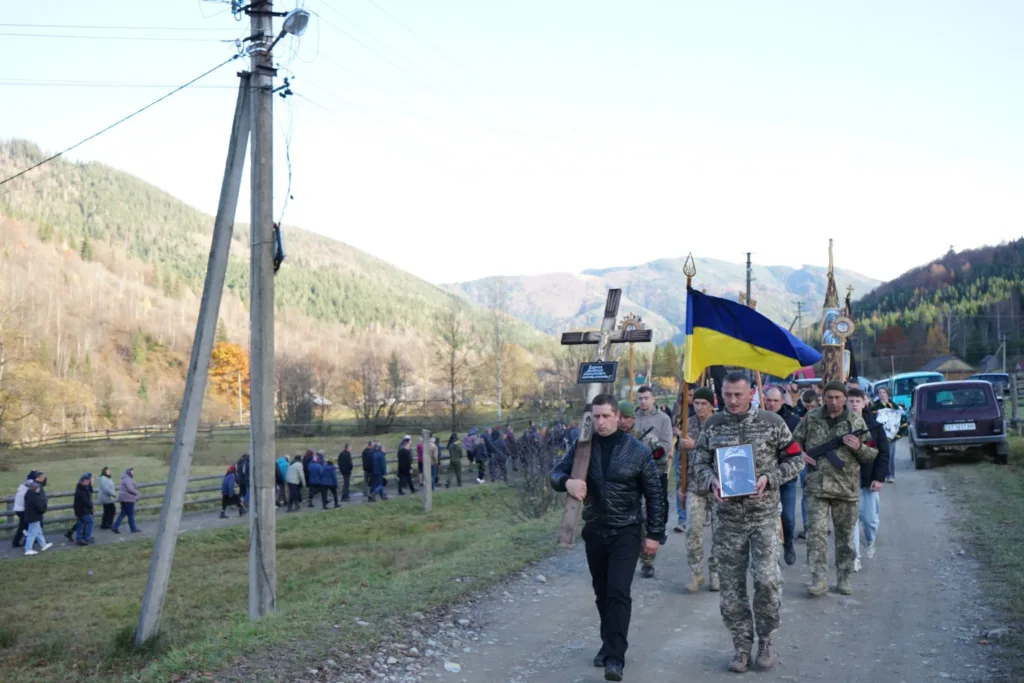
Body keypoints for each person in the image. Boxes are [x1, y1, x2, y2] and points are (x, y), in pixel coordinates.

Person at [691, 372, 804, 673]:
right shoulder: (713, 425)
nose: (732, 400)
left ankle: (766, 639)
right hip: (727, 521)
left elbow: (796, 460)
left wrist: (770, 478)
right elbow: (699, 462)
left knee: (767, 581)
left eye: (738, 395)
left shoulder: (772, 422)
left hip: (763, 517)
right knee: (731, 588)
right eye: (727, 395)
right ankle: (741, 647)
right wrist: (712, 481)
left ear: (751, 393)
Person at [551, 394, 664, 681]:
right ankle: (608, 642)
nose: (601, 422)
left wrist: (654, 534)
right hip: (595, 530)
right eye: (596, 417)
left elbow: (655, 495)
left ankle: (615, 656)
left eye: (606, 416)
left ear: (618, 417)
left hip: (627, 529)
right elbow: (555, 474)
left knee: (618, 591)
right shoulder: (582, 447)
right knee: (602, 591)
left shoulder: (637, 451)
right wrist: (567, 482)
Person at [793, 381, 877, 597]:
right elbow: (794, 442)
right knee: (816, 536)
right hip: (816, 486)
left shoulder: (856, 421)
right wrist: (800, 454)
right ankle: (819, 579)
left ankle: (844, 577)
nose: (833, 401)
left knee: (845, 537)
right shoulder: (811, 418)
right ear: (823, 398)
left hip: (846, 488)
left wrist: (858, 447)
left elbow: (871, 454)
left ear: (844, 398)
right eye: (829, 397)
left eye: (838, 397)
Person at [680, 387, 718, 592]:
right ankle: (696, 573)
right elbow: (682, 460)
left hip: (717, 485)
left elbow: (724, 451)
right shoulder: (688, 424)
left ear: (712, 405)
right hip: (695, 485)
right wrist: (682, 486)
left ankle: (716, 573)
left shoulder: (720, 423)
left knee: (720, 532)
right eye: (696, 403)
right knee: (692, 529)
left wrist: (695, 445)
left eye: (704, 403)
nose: (700, 407)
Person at [847, 387, 890, 570]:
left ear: (865, 403)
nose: (854, 405)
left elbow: (883, 453)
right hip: (847, 480)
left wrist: (879, 478)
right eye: (851, 401)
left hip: (868, 479)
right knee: (851, 521)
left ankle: (869, 541)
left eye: (857, 401)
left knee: (870, 520)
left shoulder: (875, 426)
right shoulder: (840, 425)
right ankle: (855, 557)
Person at [761, 385, 802, 565]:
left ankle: (788, 543)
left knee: (788, 518)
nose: (771, 404)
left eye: (775, 401)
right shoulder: (758, 419)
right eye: (768, 400)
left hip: (786, 477)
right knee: (768, 520)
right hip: (764, 478)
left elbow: (797, 448)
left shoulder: (793, 421)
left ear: (782, 401)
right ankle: (773, 554)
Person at [870, 385, 906, 482]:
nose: (882, 395)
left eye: (884, 393)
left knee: (890, 455)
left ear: (887, 394)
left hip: (891, 436)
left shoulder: (895, 406)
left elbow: (902, 420)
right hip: (879, 435)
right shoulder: (875, 407)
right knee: (879, 455)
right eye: (880, 393)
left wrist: (897, 435)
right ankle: (881, 475)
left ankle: (890, 475)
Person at [23, 473, 53, 556]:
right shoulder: (34, 496)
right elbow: (38, 505)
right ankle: (28, 549)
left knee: (38, 531)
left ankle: (43, 544)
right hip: (34, 516)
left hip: (31, 515)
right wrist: (43, 509)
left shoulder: (29, 494)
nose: (39, 490)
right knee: (32, 533)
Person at [11, 470, 38, 548]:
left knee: (25, 526)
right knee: (23, 527)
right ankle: (17, 542)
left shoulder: (23, 485)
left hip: (18, 509)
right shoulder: (30, 484)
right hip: (22, 510)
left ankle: (30, 539)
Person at [112, 467, 140, 534]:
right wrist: (136, 492)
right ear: (129, 472)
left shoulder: (126, 479)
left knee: (123, 513)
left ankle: (115, 526)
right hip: (128, 499)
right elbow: (130, 489)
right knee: (131, 514)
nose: (133, 473)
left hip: (124, 499)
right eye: (132, 472)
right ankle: (133, 528)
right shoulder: (128, 479)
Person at [73, 473, 96, 545]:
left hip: (79, 510)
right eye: (86, 481)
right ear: (82, 481)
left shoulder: (81, 487)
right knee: (90, 522)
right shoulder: (83, 489)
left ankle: (79, 539)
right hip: (84, 510)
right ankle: (87, 538)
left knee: (80, 524)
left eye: (88, 481)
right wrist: (92, 506)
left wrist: (90, 484)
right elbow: (86, 501)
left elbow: (90, 492)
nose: (88, 482)